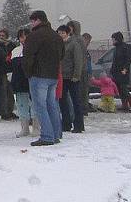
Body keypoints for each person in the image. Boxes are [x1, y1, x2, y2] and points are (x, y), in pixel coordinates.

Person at [23, 11, 65, 146]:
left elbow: (28, 56)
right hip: (53, 75)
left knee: (40, 106)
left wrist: (28, 73)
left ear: (38, 20)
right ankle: (56, 134)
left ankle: (47, 136)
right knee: (52, 105)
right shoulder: (56, 36)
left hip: (38, 75)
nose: (31, 24)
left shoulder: (34, 36)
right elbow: (62, 55)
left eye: (33, 21)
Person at [57, 22, 85, 133]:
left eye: (62, 33)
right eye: (59, 33)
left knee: (76, 101)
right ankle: (66, 124)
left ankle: (79, 125)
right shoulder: (58, 45)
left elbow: (78, 60)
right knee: (62, 101)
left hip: (72, 77)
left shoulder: (74, 44)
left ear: (68, 33)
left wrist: (76, 75)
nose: (60, 35)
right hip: (62, 77)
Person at [11, 28, 38, 138]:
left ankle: (36, 127)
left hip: (31, 80)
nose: (24, 39)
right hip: (19, 82)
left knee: (34, 105)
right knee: (21, 105)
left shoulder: (35, 49)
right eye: (21, 36)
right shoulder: (15, 51)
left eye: (26, 36)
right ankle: (24, 128)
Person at [110, 31, 131, 112]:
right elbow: (115, 61)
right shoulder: (116, 48)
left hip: (123, 71)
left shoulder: (125, 47)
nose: (112, 41)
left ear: (117, 39)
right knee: (119, 89)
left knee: (124, 88)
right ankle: (124, 104)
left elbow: (128, 59)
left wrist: (125, 69)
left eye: (113, 39)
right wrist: (112, 70)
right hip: (116, 72)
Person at [0, 28, 17, 120]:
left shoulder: (11, 45)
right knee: (3, 92)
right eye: (0, 35)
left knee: (11, 92)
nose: (1, 37)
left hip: (10, 70)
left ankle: (10, 110)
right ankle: (4, 112)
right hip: (2, 71)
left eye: (3, 35)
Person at [81, 32, 95, 114]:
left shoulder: (86, 51)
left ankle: (85, 106)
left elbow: (89, 63)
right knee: (84, 91)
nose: (88, 43)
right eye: (88, 41)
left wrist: (90, 73)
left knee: (86, 91)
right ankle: (84, 108)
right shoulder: (81, 50)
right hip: (83, 72)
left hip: (87, 73)